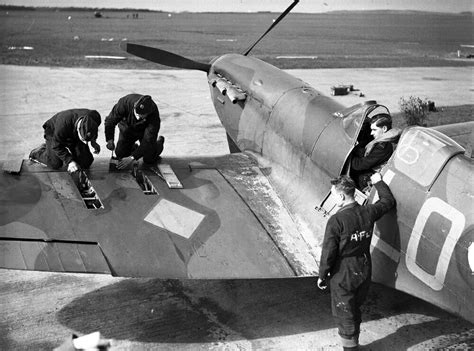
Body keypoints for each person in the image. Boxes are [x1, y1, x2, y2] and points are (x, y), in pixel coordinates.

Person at [317, 173, 395, 350]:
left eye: (333, 193)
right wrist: (378, 181)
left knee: (345, 313)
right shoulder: (369, 211)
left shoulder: (336, 221)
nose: (332, 196)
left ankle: (351, 349)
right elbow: (388, 201)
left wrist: (322, 275)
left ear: (341, 196)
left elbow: (328, 252)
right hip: (364, 268)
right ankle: (354, 343)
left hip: (343, 273)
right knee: (354, 308)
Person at [29, 109, 101, 173]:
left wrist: (93, 141)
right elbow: (56, 146)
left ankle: (71, 153)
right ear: (78, 129)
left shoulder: (95, 116)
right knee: (55, 163)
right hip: (53, 132)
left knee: (85, 162)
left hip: (71, 135)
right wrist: (70, 161)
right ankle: (38, 152)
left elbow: (93, 130)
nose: (86, 143)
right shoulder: (62, 125)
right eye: (83, 140)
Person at [104, 94, 164, 169]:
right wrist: (110, 140)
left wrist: (132, 158)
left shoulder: (153, 112)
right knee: (120, 154)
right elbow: (110, 121)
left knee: (149, 159)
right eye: (139, 115)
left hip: (144, 131)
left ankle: (159, 143)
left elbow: (148, 140)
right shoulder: (124, 103)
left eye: (144, 115)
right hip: (127, 129)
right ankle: (133, 147)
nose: (140, 117)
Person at [351, 114, 400, 189]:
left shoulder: (383, 147)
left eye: (374, 130)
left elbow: (359, 165)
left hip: (373, 175)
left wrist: (348, 154)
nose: (371, 133)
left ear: (384, 128)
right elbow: (366, 148)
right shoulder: (383, 138)